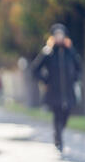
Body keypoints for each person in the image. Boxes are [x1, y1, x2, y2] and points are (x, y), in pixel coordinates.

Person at [32, 23, 81, 153]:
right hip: (54, 90)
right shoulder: (48, 52)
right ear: (53, 37)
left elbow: (78, 67)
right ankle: (58, 138)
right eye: (57, 34)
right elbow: (35, 69)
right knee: (57, 114)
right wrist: (45, 81)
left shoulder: (70, 51)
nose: (59, 37)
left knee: (66, 114)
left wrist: (75, 78)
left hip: (68, 89)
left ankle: (59, 132)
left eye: (61, 34)